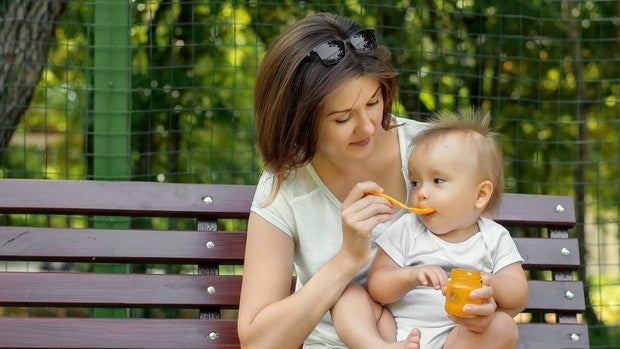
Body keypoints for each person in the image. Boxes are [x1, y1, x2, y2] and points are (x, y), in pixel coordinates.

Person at [237, 12, 498, 349]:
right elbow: (258, 343)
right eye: (343, 118)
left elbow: (489, 261)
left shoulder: (434, 152)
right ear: (299, 121)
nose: (368, 127)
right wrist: (348, 258)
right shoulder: (285, 185)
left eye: (374, 103)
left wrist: (484, 304)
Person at [332, 108, 529, 349]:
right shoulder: (407, 228)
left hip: (459, 335)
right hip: (396, 332)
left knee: (503, 327)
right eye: (415, 182)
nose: (421, 193)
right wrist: (410, 277)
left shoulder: (494, 237)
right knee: (348, 295)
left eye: (437, 181)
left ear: (480, 194)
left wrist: (489, 283)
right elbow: (377, 287)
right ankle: (377, 346)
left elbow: (518, 293)